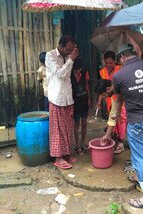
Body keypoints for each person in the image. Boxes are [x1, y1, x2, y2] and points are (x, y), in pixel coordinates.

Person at [112, 43, 143, 210]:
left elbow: (119, 99)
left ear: (122, 58)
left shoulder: (118, 76)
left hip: (137, 122)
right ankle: (141, 178)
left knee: (138, 157)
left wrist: (117, 114)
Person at [46, 35, 79, 170]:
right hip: (57, 98)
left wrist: (71, 58)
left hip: (67, 97)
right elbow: (60, 74)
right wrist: (71, 59)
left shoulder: (68, 56)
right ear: (60, 46)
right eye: (68, 49)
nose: (69, 52)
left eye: (72, 50)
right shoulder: (50, 56)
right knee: (57, 130)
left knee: (67, 128)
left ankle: (66, 154)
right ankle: (58, 158)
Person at [94, 79, 126, 154]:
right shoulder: (114, 95)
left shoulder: (122, 88)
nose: (105, 98)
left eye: (104, 95)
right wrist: (107, 135)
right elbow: (112, 117)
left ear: (108, 89)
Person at [71, 58, 91, 156]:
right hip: (75, 102)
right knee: (76, 124)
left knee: (84, 123)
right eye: (75, 70)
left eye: (79, 70)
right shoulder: (70, 74)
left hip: (84, 100)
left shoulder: (84, 72)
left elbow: (87, 86)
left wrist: (89, 99)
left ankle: (83, 143)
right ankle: (78, 146)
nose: (77, 72)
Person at [96, 51, 121, 118]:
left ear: (114, 61)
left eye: (111, 63)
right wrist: (99, 101)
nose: (108, 65)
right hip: (109, 101)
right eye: (106, 63)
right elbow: (102, 88)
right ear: (104, 61)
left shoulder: (120, 68)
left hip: (120, 101)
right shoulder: (102, 72)